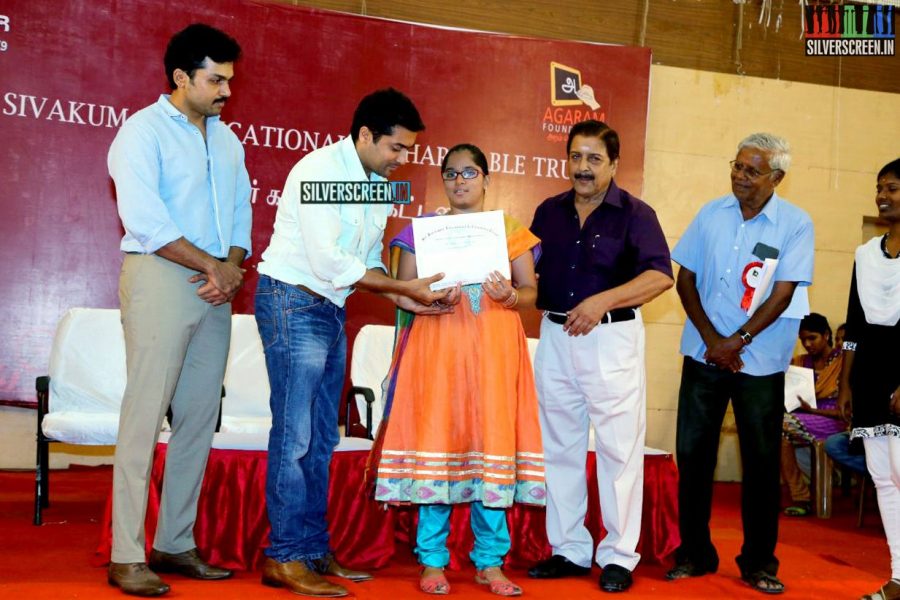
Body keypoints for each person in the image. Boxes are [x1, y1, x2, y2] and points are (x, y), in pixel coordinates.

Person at [255, 88, 451, 598]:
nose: (402, 159)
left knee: (322, 439)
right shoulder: (321, 172)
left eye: (407, 150)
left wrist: (411, 299)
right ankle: (283, 556)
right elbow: (329, 263)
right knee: (295, 437)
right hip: (292, 302)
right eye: (396, 147)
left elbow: (368, 259)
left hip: (329, 308)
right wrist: (401, 288)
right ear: (365, 135)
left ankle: (314, 549)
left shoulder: (377, 184)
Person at [106, 23, 250, 597]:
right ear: (181, 77)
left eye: (230, 81)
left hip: (217, 288)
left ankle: (175, 542)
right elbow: (147, 221)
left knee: (197, 419)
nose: (226, 92)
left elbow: (239, 216)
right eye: (216, 80)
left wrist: (231, 268)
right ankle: (126, 554)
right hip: (160, 277)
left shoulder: (228, 141)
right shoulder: (140, 133)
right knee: (144, 417)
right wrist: (215, 266)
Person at [373, 144, 545, 596]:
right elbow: (406, 288)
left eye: (469, 172)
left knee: (494, 445)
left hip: (495, 347)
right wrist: (427, 296)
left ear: (487, 178)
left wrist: (510, 295)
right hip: (438, 346)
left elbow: (530, 292)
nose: (460, 180)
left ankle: (490, 561)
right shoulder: (422, 230)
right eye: (451, 173)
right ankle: (432, 561)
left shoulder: (508, 230)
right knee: (438, 440)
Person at [527, 120, 673, 593]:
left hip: (611, 341)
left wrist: (601, 301)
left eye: (594, 159)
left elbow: (660, 278)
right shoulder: (548, 212)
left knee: (617, 450)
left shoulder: (636, 214)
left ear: (613, 164)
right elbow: (524, 272)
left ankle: (618, 556)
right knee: (559, 448)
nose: (583, 168)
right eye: (576, 157)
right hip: (554, 338)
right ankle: (569, 549)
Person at [665, 133, 814, 595]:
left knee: (762, 463)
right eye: (736, 166)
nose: (739, 176)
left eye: (751, 171)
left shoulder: (795, 223)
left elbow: (784, 291)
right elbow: (684, 278)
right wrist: (714, 341)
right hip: (704, 354)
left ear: (777, 178)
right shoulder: (711, 213)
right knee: (693, 458)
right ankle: (695, 553)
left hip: (762, 362)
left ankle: (757, 563)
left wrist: (738, 341)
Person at [838, 158, 900, 600]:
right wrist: (844, 384)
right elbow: (855, 326)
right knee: (883, 478)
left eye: (893, 188)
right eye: (879, 187)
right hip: (872, 375)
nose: (883, 195)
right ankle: (899, 577)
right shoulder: (864, 254)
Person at [782, 313, 846, 517]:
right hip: (798, 418)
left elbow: (847, 410)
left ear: (826, 335)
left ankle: (803, 496)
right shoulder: (799, 363)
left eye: (812, 338)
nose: (808, 344)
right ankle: (800, 495)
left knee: (779, 424)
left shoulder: (843, 363)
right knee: (774, 428)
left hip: (834, 420)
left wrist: (813, 410)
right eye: (803, 340)